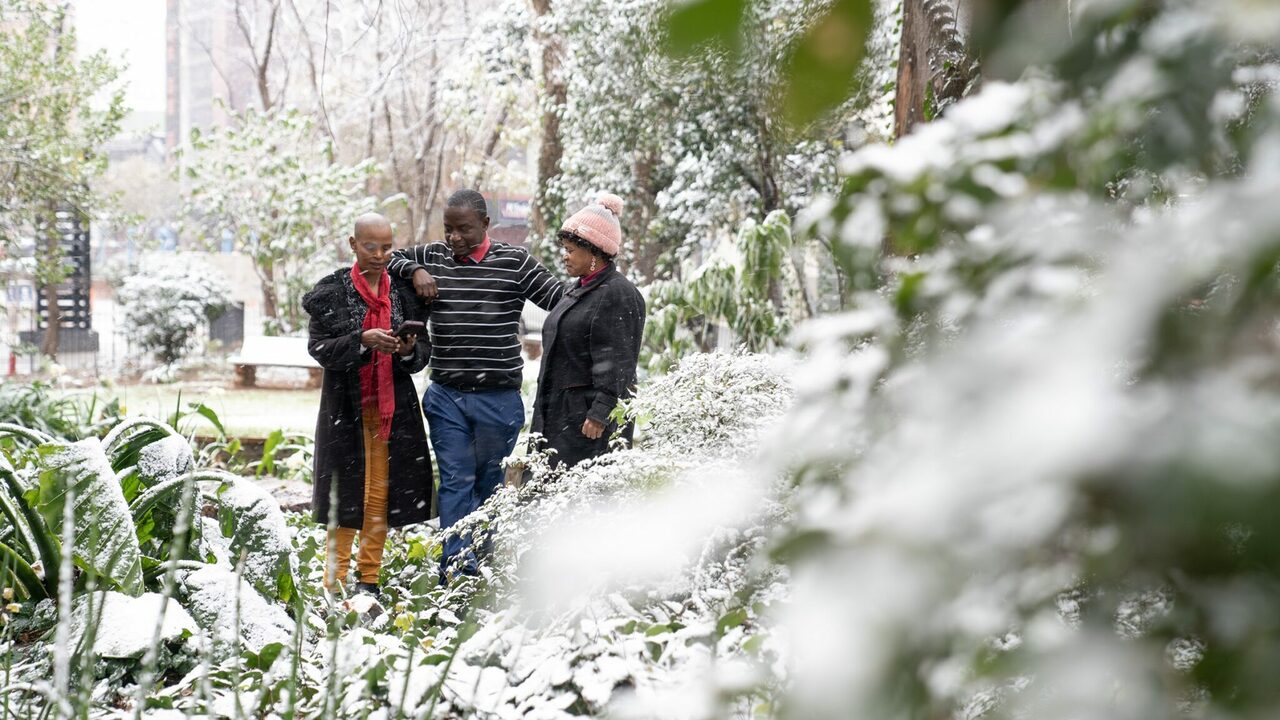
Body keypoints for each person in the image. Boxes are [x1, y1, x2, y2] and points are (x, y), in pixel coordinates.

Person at [387, 189, 564, 579]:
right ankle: (455, 567)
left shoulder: (514, 263)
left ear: (486, 224)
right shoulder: (432, 257)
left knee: (487, 484)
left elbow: (560, 298)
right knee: (455, 480)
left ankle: (478, 560)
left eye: (464, 229)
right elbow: (387, 257)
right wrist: (414, 272)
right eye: (448, 229)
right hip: (447, 394)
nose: (454, 238)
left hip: (498, 398)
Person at [304, 213, 435, 595]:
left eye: (386, 247)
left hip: (392, 409)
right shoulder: (330, 293)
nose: (379, 255)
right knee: (344, 496)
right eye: (370, 246)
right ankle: (334, 581)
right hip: (346, 408)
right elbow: (319, 348)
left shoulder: (404, 293)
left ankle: (370, 579)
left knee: (381, 493)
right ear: (352, 244)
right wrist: (362, 340)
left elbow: (421, 354)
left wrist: (407, 350)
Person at [531, 194, 645, 468]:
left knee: (583, 502)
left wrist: (600, 413)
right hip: (561, 414)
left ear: (594, 252)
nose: (564, 255)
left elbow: (620, 361)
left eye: (570, 250)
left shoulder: (618, 294)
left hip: (587, 424)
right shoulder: (579, 288)